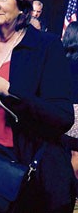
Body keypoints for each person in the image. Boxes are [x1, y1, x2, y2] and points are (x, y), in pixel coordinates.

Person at [0, 0, 76, 213]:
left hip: (31, 172)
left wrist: (9, 90)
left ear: (21, 4)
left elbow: (62, 116)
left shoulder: (45, 46)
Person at [62, 21, 78, 192]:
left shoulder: (60, 59)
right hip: (77, 112)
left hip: (63, 110)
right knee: (76, 155)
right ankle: (71, 189)